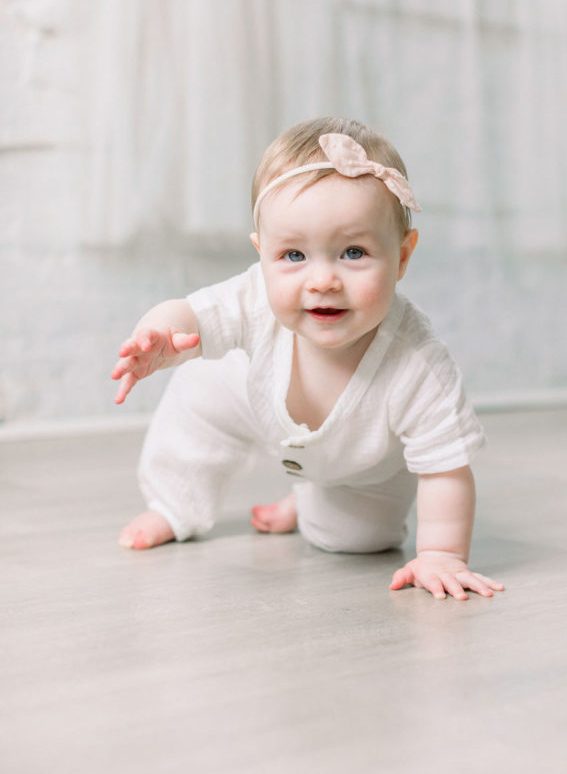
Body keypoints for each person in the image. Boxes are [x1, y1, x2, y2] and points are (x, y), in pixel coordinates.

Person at [111, 117, 503, 601]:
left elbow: (446, 467)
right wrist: (159, 333)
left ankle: (312, 501)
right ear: (262, 255)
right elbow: (191, 312)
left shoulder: (417, 364)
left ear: (402, 257)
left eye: (353, 252)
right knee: (199, 387)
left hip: (363, 464)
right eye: (293, 256)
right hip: (251, 398)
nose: (322, 280)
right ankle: (174, 505)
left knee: (360, 541)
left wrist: (442, 554)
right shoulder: (253, 295)